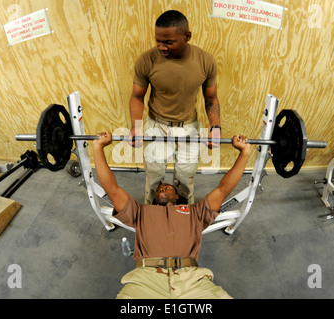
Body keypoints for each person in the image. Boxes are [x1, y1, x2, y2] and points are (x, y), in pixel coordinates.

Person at [92, 131, 251, 299]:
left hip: (191, 280)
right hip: (146, 280)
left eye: (167, 188)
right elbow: (112, 188)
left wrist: (244, 153)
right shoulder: (140, 211)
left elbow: (223, 189)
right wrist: (98, 147)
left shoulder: (195, 212)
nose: (161, 189)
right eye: (159, 189)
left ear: (177, 197)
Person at [129, 10, 221, 204]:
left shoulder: (205, 61)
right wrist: (136, 127)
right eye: (158, 41)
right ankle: (150, 217)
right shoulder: (146, 60)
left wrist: (216, 127)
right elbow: (137, 96)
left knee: (185, 179)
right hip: (156, 125)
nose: (161, 47)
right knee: (154, 177)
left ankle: (184, 218)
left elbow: (211, 97)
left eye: (168, 42)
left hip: (188, 126)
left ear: (187, 36)